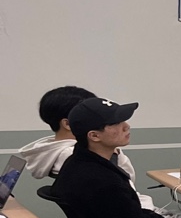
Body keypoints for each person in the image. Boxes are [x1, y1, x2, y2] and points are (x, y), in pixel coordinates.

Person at [51, 97, 172, 218]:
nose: (126, 126)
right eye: (116, 123)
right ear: (94, 136)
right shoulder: (102, 182)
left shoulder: (77, 162)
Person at [20, 85, 157, 209]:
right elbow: (127, 188)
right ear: (68, 124)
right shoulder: (78, 158)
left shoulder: (59, 153)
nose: (126, 126)